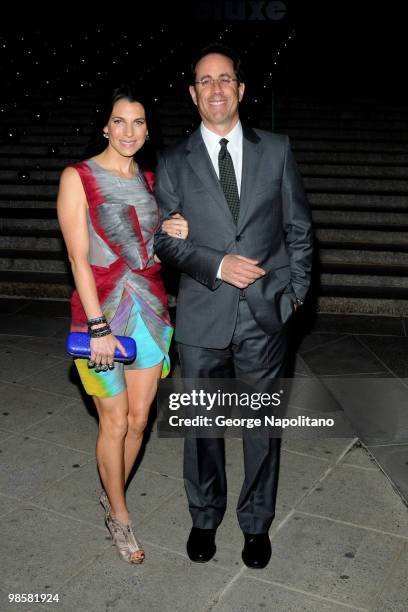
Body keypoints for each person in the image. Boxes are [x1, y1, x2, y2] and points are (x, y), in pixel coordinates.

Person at [154, 44, 313, 569]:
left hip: (267, 316)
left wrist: (293, 298)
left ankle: (256, 524)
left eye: (225, 79)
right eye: (205, 80)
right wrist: (219, 264)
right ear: (193, 95)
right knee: (202, 428)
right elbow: (166, 240)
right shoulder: (174, 160)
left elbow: (299, 231)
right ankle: (204, 517)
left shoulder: (277, 150)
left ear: (241, 90)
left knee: (261, 430)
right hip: (203, 316)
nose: (216, 88)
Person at [57, 85, 188, 564]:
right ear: (105, 126)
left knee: (138, 420)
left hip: (151, 314)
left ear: (147, 129)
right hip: (103, 314)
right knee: (113, 420)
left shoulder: (154, 181)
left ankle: (111, 496)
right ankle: (121, 516)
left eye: (138, 122)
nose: (128, 131)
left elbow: (151, 247)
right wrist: (97, 327)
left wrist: (175, 231)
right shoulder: (79, 177)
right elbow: (77, 257)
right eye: (119, 121)